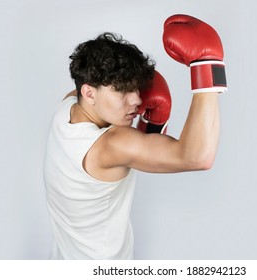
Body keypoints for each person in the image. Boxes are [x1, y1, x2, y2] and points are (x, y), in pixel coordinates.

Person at [43, 14, 227, 260]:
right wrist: (207, 66)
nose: (138, 100)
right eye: (122, 90)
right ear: (89, 92)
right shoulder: (110, 145)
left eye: (135, 87)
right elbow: (197, 157)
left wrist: (152, 125)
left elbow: (134, 148)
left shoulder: (66, 108)